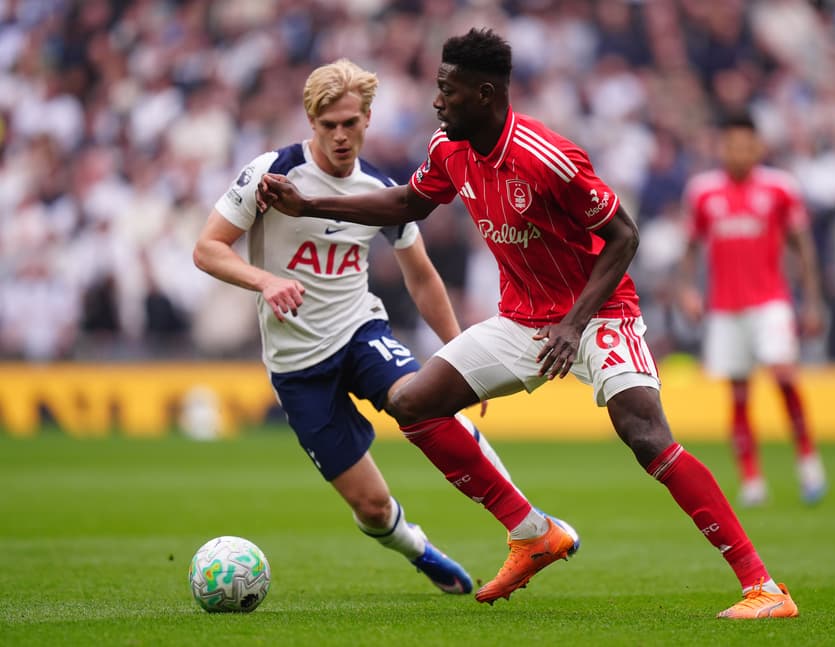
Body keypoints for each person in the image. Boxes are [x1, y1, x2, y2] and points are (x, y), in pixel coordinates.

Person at [257, 28, 798, 619]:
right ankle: (531, 530)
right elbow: (407, 204)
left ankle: (764, 588)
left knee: (644, 434)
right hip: (521, 320)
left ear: (485, 94)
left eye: (448, 91)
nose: (437, 101)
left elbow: (624, 237)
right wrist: (309, 204)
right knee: (414, 402)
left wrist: (573, 324)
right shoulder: (449, 148)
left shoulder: (548, 157)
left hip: (597, 312)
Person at [193, 58, 577, 596]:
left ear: (368, 118)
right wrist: (264, 281)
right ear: (311, 122)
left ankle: (529, 523)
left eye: (351, 122)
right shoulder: (271, 175)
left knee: (418, 398)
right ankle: (420, 549)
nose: (341, 135)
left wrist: (460, 352)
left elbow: (422, 277)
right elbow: (207, 249)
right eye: (329, 126)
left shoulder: (382, 189)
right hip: (297, 366)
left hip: (360, 333)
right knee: (371, 508)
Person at [677, 112, 828, 508]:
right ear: (720, 148)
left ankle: (808, 462)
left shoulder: (780, 188)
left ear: (758, 148)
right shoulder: (703, 192)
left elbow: (803, 246)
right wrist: (688, 290)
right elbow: (690, 246)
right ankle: (751, 479)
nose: (738, 152)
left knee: (783, 376)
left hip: (770, 302)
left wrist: (812, 301)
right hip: (725, 308)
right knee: (739, 392)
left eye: (745, 145)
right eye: (730, 145)